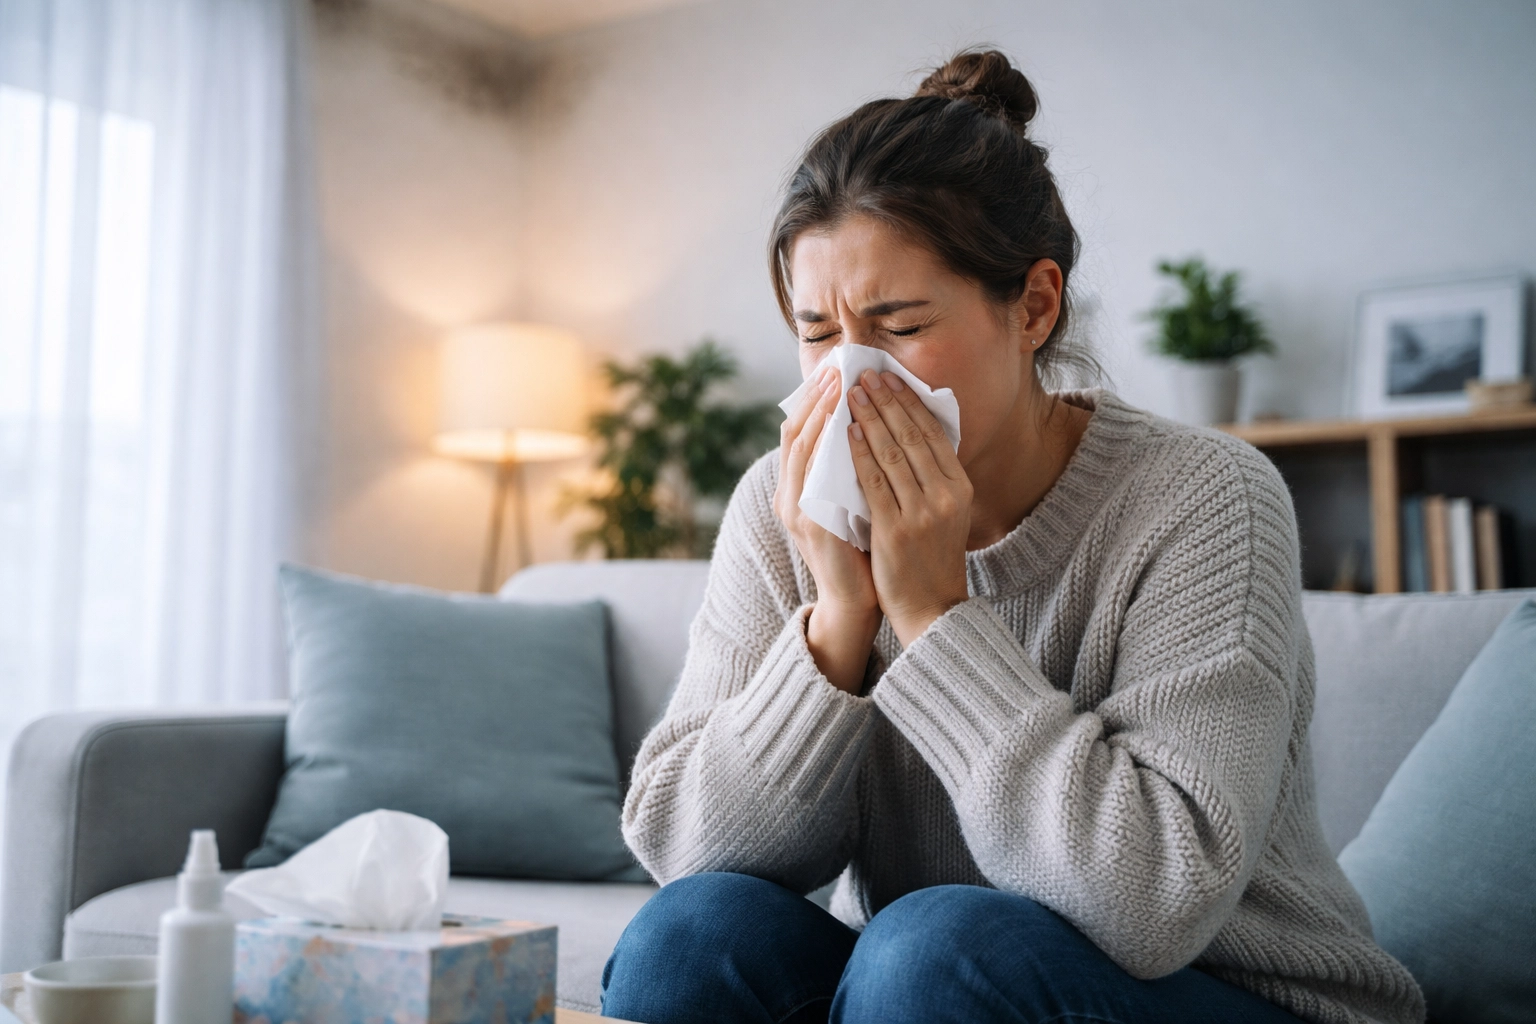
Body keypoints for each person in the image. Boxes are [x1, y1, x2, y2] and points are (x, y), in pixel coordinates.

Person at [600, 49, 1425, 1024]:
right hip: (941, 985)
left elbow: (1156, 905)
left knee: (933, 949)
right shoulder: (780, 508)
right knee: (685, 940)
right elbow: (685, 853)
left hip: (1239, 993)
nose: (852, 373)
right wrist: (839, 624)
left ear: (1034, 305)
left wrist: (931, 614)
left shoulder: (1205, 494)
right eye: (819, 332)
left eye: (899, 324)